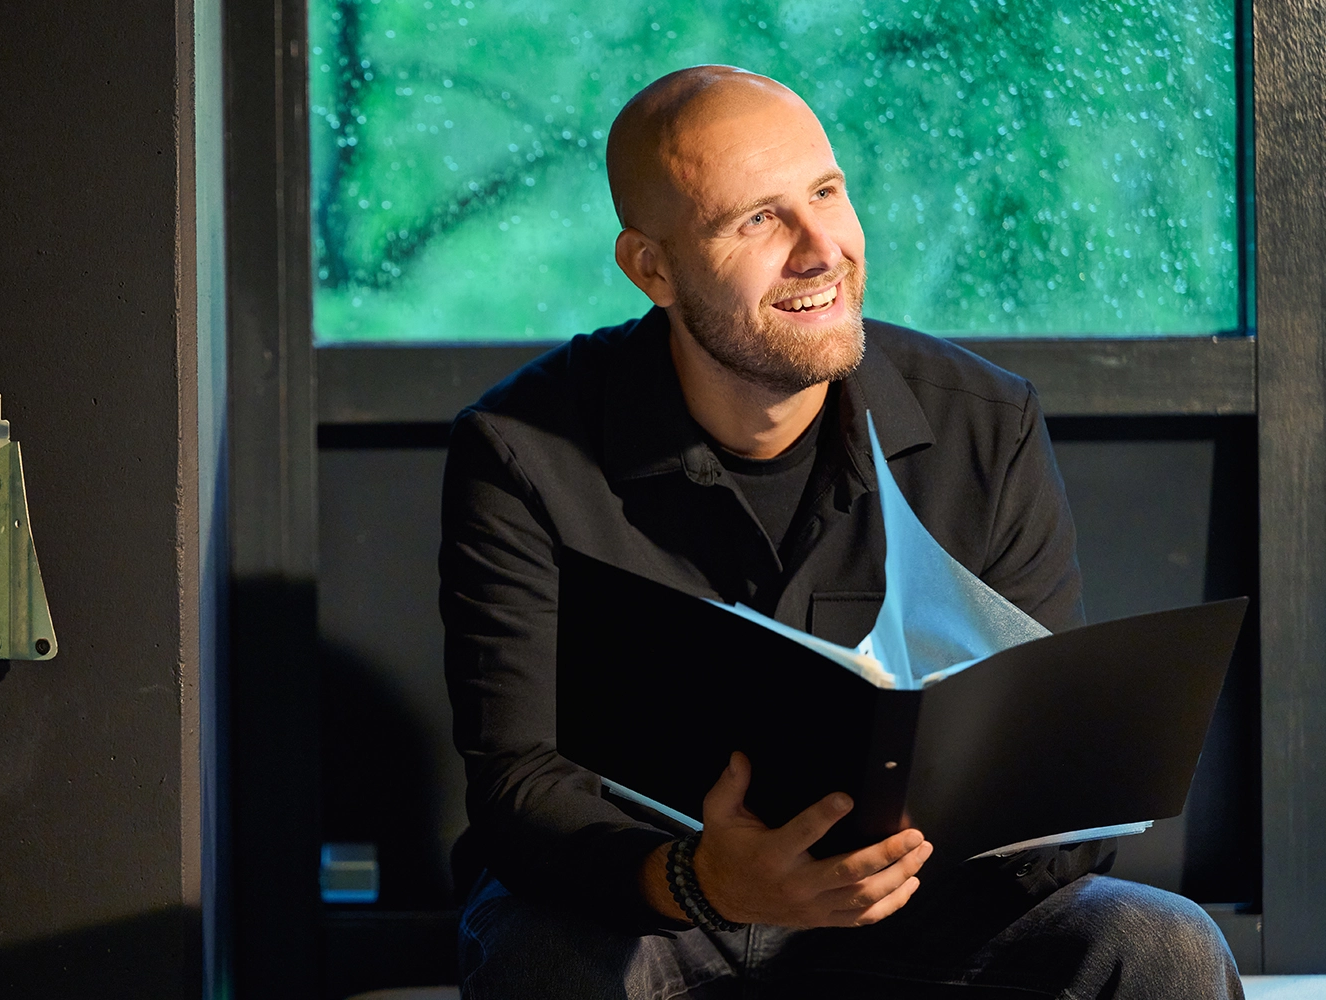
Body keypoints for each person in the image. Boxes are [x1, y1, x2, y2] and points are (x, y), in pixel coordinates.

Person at [439, 65, 1242, 998]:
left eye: (826, 193)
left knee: (1164, 944)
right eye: (758, 219)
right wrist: (704, 882)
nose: (822, 250)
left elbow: (1057, 780)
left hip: (924, 904)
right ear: (652, 268)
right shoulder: (520, 450)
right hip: (662, 905)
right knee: (539, 953)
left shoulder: (987, 422)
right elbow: (520, 785)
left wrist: (1012, 821)